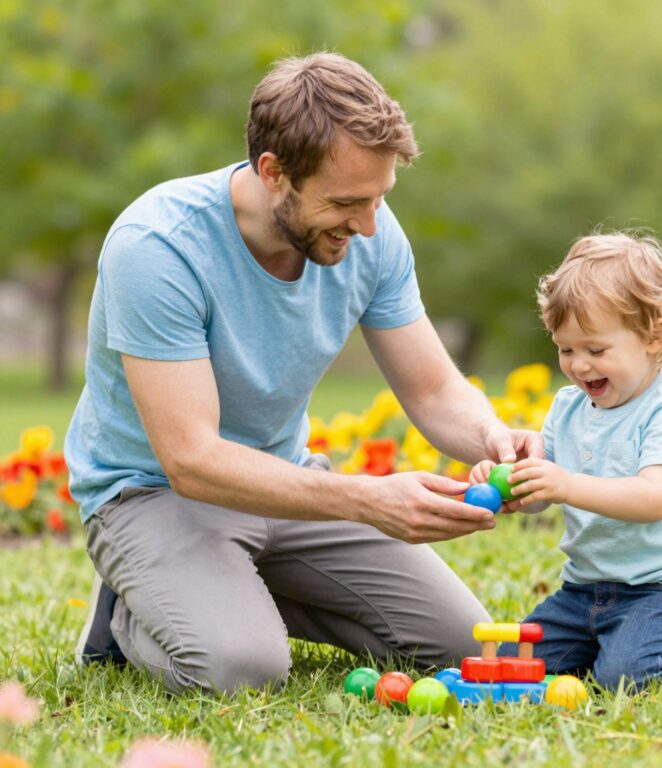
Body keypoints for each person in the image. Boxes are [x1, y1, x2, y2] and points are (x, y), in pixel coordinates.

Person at [65, 52, 542, 695]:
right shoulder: (158, 247)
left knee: (463, 646)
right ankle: (130, 609)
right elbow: (192, 459)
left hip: (286, 487)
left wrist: (493, 438)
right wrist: (371, 501)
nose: (369, 224)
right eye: (347, 201)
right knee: (241, 670)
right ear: (273, 172)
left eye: (379, 198)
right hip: (155, 495)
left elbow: (431, 388)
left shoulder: (369, 229)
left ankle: (226, 593)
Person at [469, 232, 662, 690]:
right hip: (583, 590)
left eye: (596, 350)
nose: (580, 366)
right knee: (511, 666)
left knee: (627, 679)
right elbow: (539, 498)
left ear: (653, 337)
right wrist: (510, 485)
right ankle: (612, 645)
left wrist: (564, 484)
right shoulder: (567, 407)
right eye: (566, 349)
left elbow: (654, 499)